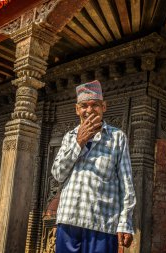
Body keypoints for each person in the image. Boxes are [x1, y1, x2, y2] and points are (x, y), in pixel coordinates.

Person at [51, 80, 136, 253]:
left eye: (94, 105)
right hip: (68, 222)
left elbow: (126, 183)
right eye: (84, 106)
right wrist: (79, 142)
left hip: (102, 224)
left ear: (103, 107)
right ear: (77, 109)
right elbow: (58, 174)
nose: (89, 110)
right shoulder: (70, 137)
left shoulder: (117, 138)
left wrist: (125, 223)